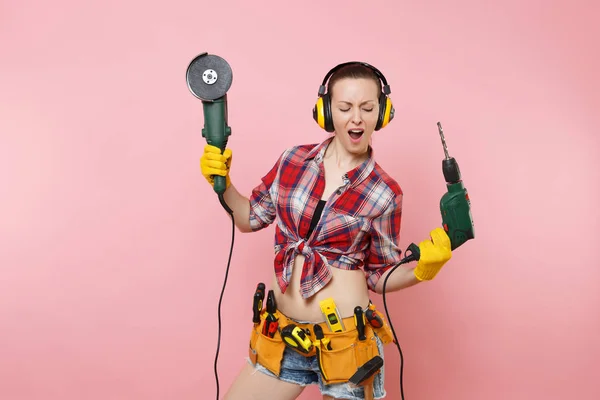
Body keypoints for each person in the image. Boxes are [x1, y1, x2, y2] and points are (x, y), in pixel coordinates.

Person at [200, 61, 453, 400]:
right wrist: (224, 184)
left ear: (382, 112)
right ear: (326, 111)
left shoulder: (385, 191)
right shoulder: (293, 160)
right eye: (345, 107)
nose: (356, 118)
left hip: (346, 344)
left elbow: (379, 276)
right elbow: (249, 218)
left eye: (367, 107)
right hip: (282, 336)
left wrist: (422, 271)